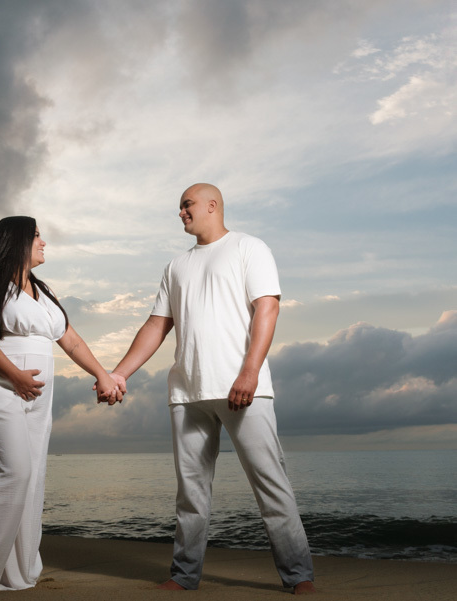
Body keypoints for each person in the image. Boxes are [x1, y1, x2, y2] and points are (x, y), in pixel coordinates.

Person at [108, 184, 316, 594]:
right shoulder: (175, 266)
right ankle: (184, 576)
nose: (181, 213)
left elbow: (268, 307)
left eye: (186, 205)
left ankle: (299, 577)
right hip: (187, 393)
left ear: (211, 205)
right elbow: (156, 326)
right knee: (191, 494)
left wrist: (250, 372)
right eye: (180, 208)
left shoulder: (249, 247)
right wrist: (120, 373)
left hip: (243, 388)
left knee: (271, 486)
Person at [0, 216, 120, 591]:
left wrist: (103, 374)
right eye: (36, 236)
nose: (44, 242)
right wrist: (15, 376)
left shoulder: (42, 291)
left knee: (31, 479)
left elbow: (71, 340)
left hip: (38, 394)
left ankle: (9, 570)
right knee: (11, 472)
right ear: (16, 241)